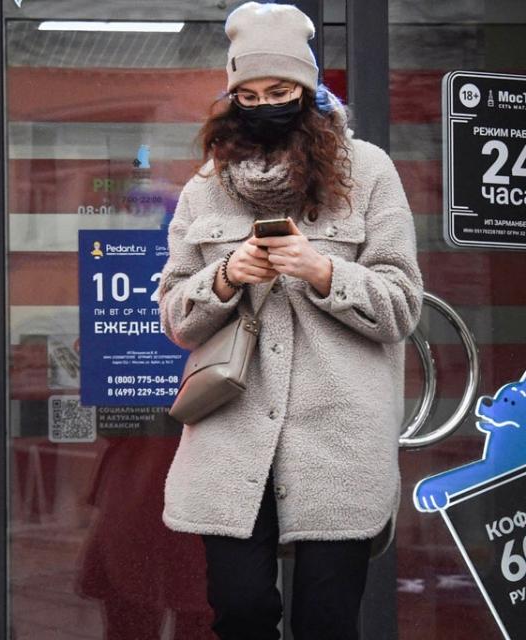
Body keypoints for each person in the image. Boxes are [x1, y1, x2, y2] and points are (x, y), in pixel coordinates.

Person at [156, 2, 424, 639]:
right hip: (233, 434)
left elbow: (403, 304)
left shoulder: (370, 173)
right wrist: (227, 276)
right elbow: (175, 315)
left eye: (280, 91)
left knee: (328, 621)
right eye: (247, 93)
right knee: (241, 609)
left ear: (309, 90)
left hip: (338, 439)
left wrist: (321, 270)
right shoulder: (205, 187)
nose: (264, 104)